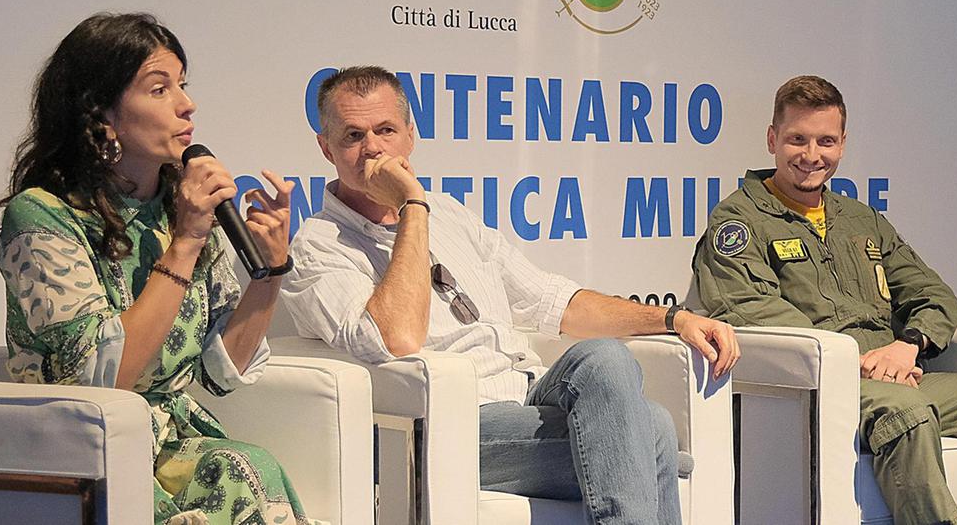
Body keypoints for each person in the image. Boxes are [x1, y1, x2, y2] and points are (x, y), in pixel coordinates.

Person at [280, 65, 739, 523]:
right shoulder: (320, 244)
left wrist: (672, 319)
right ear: (326, 147)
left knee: (606, 358)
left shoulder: (450, 213)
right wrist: (410, 205)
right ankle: (644, 456)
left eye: (385, 130)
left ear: (410, 136)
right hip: (444, 422)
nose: (373, 149)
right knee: (652, 431)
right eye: (353, 136)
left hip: (527, 394)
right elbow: (397, 337)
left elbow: (550, 299)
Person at [691, 75, 957, 524]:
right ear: (773, 138)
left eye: (826, 141)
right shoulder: (738, 219)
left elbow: (933, 294)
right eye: (797, 139)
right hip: (825, 388)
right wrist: (860, 360)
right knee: (908, 413)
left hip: (898, 375)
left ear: (843, 144)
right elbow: (749, 310)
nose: (812, 156)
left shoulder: (861, 219)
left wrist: (909, 344)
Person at [0, 13, 313, 525]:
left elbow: (221, 372)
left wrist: (270, 270)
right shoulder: (43, 216)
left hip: (169, 444)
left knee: (245, 468)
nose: (187, 104)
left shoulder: (175, 207)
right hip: (77, 458)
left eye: (183, 85)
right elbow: (100, 380)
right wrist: (184, 242)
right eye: (159, 88)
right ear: (100, 112)